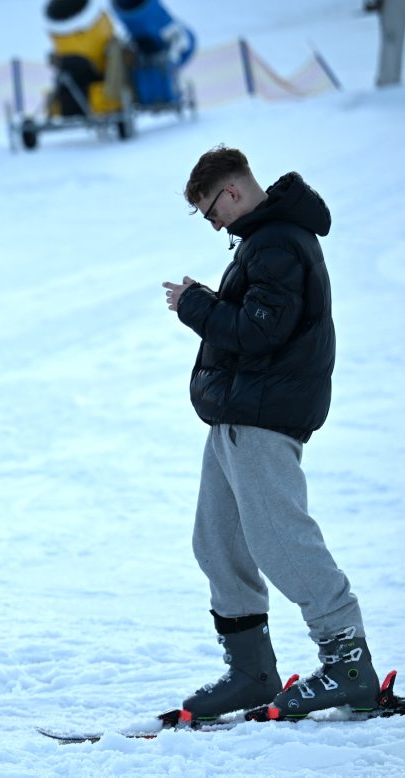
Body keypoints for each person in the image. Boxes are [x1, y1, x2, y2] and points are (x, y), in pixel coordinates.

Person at [161, 146, 380, 720]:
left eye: (211, 213)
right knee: (218, 541)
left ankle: (348, 664)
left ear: (231, 192)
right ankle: (252, 670)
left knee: (280, 539)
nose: (214, 225)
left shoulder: (280, 242)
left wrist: (196, 305)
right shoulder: (263, 242)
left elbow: (259, 333)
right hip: (235, 418)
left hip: (262, 417)